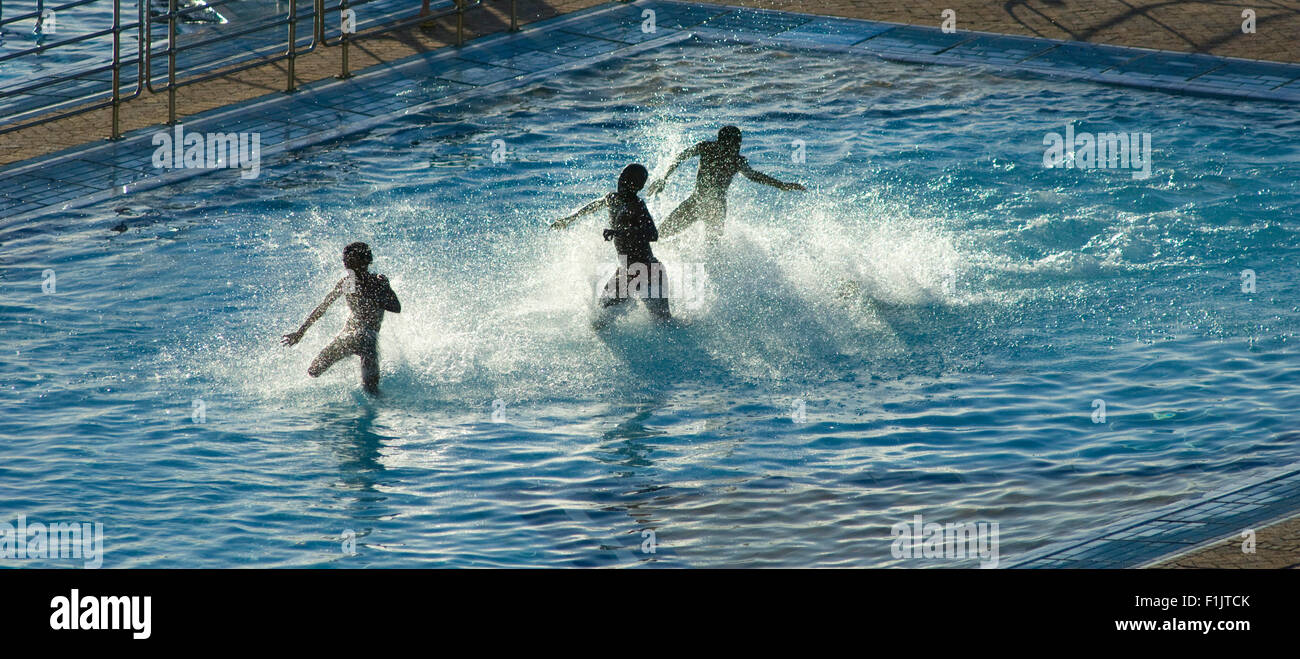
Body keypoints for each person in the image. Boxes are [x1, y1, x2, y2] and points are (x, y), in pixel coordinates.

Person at [551, 164, 673, 329]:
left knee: (666, 324)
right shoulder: (612, 198)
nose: (620, 181)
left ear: (637, 187)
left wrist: (620, 232)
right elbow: (594, 205)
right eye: (621, 177)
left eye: (626, 179)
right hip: (628, 270)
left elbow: (653, 234)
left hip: (648, 270)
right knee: (599, 320)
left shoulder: (637, 205)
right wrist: (569, 219)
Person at [647, 126, 806, 243]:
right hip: (696, 202)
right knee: (658, 236)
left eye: (738, 145)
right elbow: (681, 157)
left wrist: (781, 185)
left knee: (712, 249)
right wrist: (665, 177)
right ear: (720, 142)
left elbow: (753, 176)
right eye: (732, 145)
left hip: (717, 209)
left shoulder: (738, 160)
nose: (736, 149)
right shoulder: (706, 148)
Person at [282, 242, 401, 395]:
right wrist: (300, 332)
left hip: (368, 340)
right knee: (313, 370)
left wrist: (374, 294)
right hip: (348, 337)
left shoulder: (378, 282)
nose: (345, 262)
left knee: (371, 389)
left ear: (364, 261)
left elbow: (396, 307)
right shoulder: (347, 283)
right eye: (345, 259)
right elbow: (323, 307)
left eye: (349, 259)